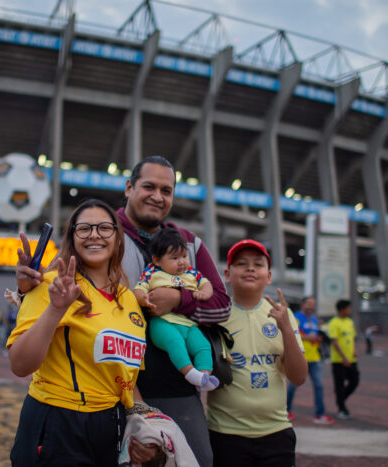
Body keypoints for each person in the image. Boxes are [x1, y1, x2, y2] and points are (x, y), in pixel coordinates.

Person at [15, 156, 230, 467]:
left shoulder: (187, 244)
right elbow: (53, 288)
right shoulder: (102, 236)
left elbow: (222, 304)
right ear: (129, 188)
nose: (158, 196)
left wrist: (178, 298)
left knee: (194, 459)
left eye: (166, 190)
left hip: (173, 385)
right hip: (102, 394)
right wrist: (25, 289)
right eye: (149, 186)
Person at [7, 198, 157, 465]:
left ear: (118, 238)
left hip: (111, 426)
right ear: (72, 237)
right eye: (84, 228)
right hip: (57, 423)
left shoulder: (129, 299)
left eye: (104, 228)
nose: (95, 235)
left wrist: (146, 427)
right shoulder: (50, 285)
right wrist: (55, 309)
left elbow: (126, 380)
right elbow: (19, 365)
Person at [207, 239, 307, 467]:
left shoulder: (284, 315)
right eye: (242, 263)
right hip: (225, 433)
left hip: (276, 432)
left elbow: (299, 378)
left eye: (258, 264)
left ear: (269, 276)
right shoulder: (215, 316)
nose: (250, 268)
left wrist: (286, 329)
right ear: (227, 274)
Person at [133, 226, 219, 391]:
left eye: (184, 256)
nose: (182, 262)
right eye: (174, 258)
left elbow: (207, 284)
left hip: (188, 324)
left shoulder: (192, 273)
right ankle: (189, 372)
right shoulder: (151, 272)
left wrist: (204, 293)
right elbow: (138, 290)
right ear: (157, 260)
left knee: (203, 346)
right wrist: (144, 299)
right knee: (175, 343)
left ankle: (204, 375)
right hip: (163, 323)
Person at [286, 296, 335, 424]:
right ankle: (286, 411)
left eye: (313, 304)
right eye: (309, 303)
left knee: (319, 386)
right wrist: (308, 337)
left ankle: (320, 415)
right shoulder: (296, 317)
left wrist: (317, 339)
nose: (311, 306)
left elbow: (315, 335)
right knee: (292, 386)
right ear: (303, 304)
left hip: (315, 358)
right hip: (301, 357)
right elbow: (291, 333)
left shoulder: (314, 319)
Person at [328, 299, 359, 419]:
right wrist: (343, 357)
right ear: (342, 309)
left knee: (355, 381)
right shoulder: (334, 323)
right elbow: (334, 342)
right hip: (338, 360)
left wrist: (355, 350)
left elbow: (353, 338)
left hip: (351, 359)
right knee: (339, 385)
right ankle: (342, 408)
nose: (349, 310)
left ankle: (340, 399)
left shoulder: (350, 322)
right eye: (348, 308)